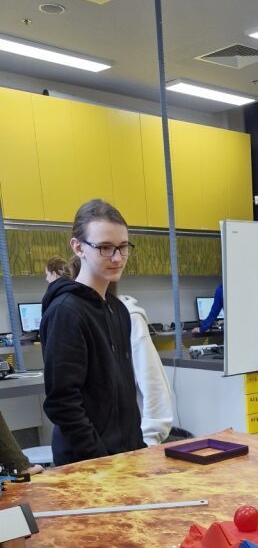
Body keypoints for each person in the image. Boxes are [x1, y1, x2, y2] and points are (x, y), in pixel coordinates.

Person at [40, 199, 145, 466]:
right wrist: (99, 459)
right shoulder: (66, 311)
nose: (117, 258)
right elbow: (63, 402)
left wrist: (138, 448)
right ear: (78, 247)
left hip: (125, 457)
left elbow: (123, 394)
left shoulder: (118, 310)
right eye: (105, 248)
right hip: (87, 464)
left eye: (123, 247)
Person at [118, 293, 173, 446]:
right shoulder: (69, 313)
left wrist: (149, 440)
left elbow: (153, 384)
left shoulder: (130, 317)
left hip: (129, 442)